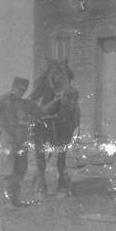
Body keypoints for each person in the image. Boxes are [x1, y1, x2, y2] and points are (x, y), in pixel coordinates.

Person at [28, 62, 80, 199]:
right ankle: (41, 183)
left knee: (61, 157)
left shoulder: (70, 92)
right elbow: (32, 100)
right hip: (44, 116)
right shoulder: (42, 88)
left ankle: (62, 185)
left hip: (62, 121)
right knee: (40, 154)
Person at [0, 77, 45, 208]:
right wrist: (10, 94)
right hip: (8, 139)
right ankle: (7, 201)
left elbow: (41, 112)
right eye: (20, 89)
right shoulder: (4, 103)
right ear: (13, 88)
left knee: (21, 170)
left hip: (22, 141)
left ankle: (15, 199)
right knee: (8, 170)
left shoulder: (26, 104)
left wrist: (55, 100)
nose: (22, 92)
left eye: (24, 90)